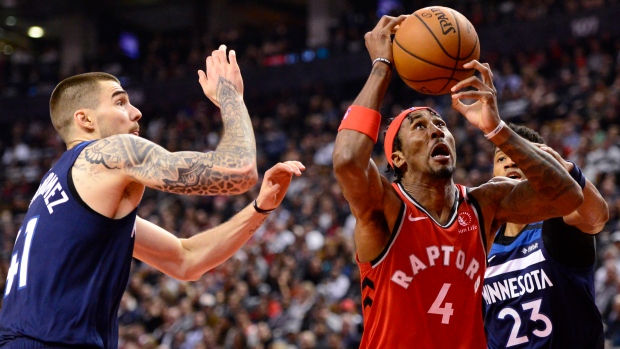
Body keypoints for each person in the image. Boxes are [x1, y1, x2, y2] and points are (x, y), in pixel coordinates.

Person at [0, 45, 305, 348]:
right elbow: (239, 170)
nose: (136, 112)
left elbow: (186, 260)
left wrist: (259, 208)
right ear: (86, 120)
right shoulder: (107, 153)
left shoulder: (59, 189)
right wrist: (230, 96)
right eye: (120, 103)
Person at [332, 15, 584, 348]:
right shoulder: (384, 207)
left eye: (439, 123)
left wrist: (497, 129)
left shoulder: (485, 203)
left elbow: (569, 198)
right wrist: (381, 66)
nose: (436, 129)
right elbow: (348, 160)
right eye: (419, 126)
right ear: (397, 158)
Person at [483, 124, 608, 349]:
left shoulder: (557, 222)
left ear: (539, 167)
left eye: (519, 155)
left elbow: (596, 218)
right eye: (501, 159)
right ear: (493, 172)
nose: (510, 162)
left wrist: (569, 171)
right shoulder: (482, 243)